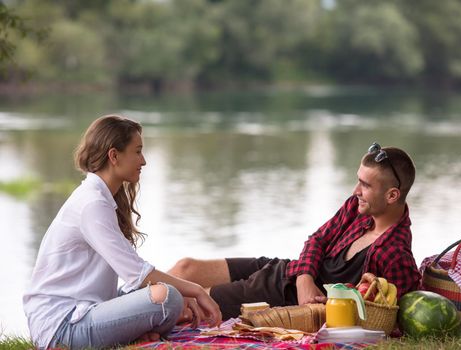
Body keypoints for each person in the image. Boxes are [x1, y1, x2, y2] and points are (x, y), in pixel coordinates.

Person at [23, 115, 221, 350]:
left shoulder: (100, 198)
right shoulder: (91, 204)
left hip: (85, 309)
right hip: (62, 326)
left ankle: (133, 335)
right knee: (168, 297)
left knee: (163, 294)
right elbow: (137, 273)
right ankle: (131, 334)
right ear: (114, 156)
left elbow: (133, 279)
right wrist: (196, 289)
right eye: (137, 152)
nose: (144, 161)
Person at [169, 143, 421, 320]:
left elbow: (385, 315)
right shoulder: (357, 208)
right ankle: (128, 302)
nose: (355, 190)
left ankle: (131, 319)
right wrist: (305, 279)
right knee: (186, 268)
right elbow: (317, 240)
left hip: (279, 297)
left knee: (189, 301)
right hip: (288, 270)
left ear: (392, 195)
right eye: (358, 180)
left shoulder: (395, 255)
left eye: (365, 185)